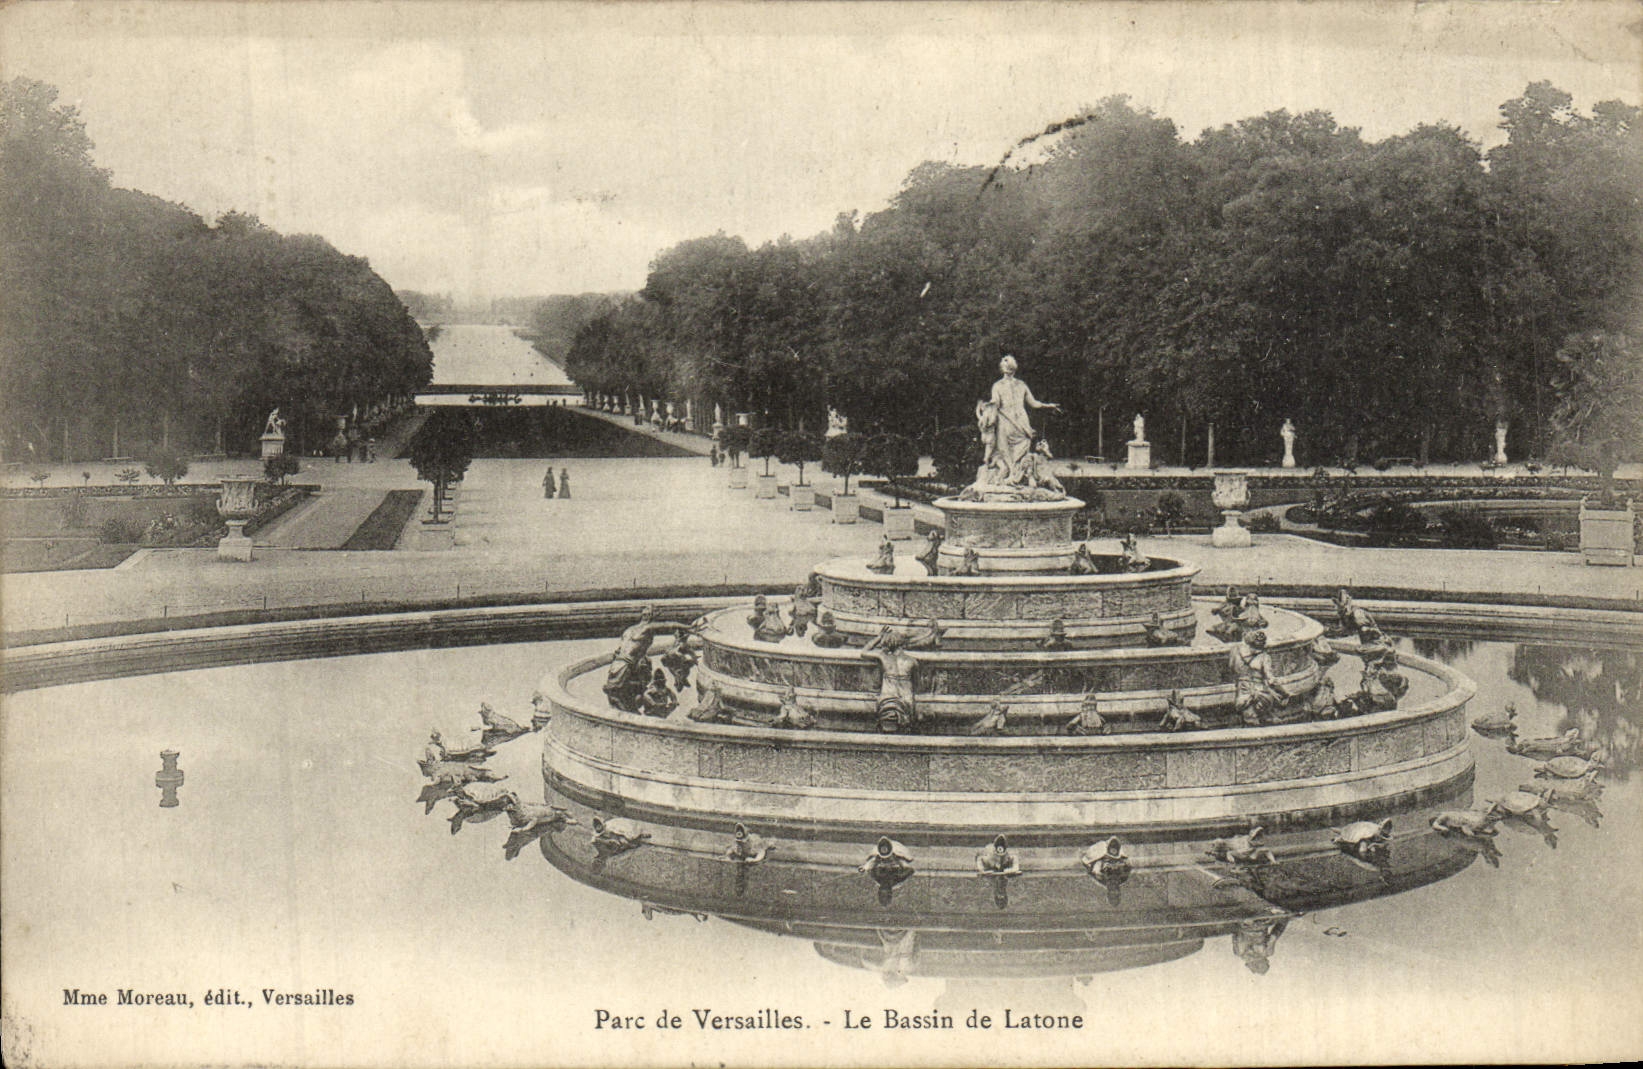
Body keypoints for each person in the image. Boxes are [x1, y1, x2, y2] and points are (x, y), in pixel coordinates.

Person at [978, 355, 1061, 486]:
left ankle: (1013, 475)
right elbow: (1034, 403)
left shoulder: (998, 386)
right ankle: (1018, 476)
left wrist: (985, 409)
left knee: (1005, 449)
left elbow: (996, 403)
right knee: (1020, 448)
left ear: (1002, 369)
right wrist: (1048, 405)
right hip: (1021, 422)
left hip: (1007, 420)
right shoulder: (1021, 385)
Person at [860, 619, 943, 733]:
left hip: (887, 700)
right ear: (902, 645)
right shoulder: (912, 661)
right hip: (906, 702)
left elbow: (864, 652)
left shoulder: (883, 657)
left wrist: (878, 637)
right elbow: (917, 686)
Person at [603, 606, 687, 712]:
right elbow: (669, 625)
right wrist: (688, 627)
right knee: (615, 693)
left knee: (617, 695)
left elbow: (619, 650)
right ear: (651, 617)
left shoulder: (628, 630)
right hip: (627, 665)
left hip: (618, 663)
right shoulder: (646, 628)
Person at [1230, 630, 1282, 726]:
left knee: (1248, 719)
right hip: (1260, 693)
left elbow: (1231, 668)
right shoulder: (1264, 657)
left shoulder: (1235, 651)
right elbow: (1271, 679)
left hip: (1242, 691)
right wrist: (1284, 691)